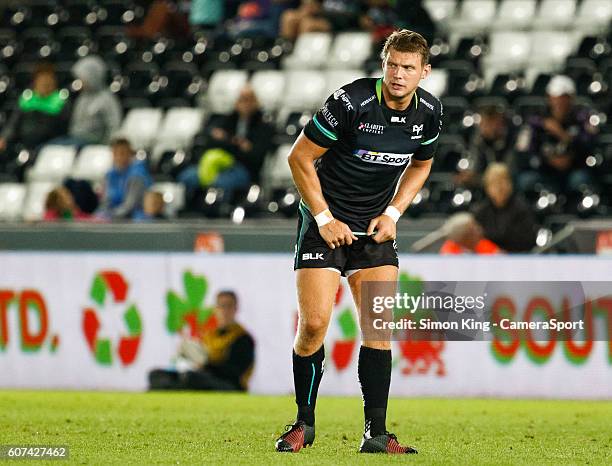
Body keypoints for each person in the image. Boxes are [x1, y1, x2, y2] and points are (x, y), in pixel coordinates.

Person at [275, 30, 442, 454]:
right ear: (383, 65)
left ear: (425, 72)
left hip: (372, 231)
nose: (398, 75)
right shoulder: (351, 102)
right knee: (313, 326)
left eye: (408, 68)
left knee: (378, 329)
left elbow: (422, 166)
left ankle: (377, 434)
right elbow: (299, 157)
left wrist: (393, 213)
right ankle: (303, 424)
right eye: (392, 65)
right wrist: (324, 217)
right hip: (324, 224)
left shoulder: (429, 114)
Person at [178, 85, 274, 202]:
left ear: (256, 102)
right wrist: (237, 144)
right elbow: (211, 142)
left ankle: (220, 212)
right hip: (219, 166)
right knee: (187, 177)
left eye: (248, 99)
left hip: (244, 169)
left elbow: (256, 155)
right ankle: (190, 209)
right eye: (241, 99)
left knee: (221, 183)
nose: (244, 103)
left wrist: (227, 141)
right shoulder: (228, 120)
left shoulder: (263, 126)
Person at [148, 290, 255, 391]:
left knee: (192, 378)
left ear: (235, 309)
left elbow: (234, 373)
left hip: (230, 384)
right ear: (215, 309)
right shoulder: (208, 335)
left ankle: (172, 388)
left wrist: (206, 365)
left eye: (228, 306)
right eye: (221, 306)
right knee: (155, 374)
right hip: (202, 375)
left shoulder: (243, 338)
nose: (224, 311)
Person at [516, 75, 598, 194]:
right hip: (544, 170)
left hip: (573, 169)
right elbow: (523, 152)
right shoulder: (536, 121)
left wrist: (562, 135)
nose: (560, 102)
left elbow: (590, 147)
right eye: (557, 97)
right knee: (526, 180)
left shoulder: (582, 118)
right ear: (549, 97)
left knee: (581, 179)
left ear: (572, 98)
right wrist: (547, 160)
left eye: (565, 97)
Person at [0, 63, 70, 178]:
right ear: (35, 81)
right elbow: (13, 124)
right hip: (23, 145)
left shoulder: (61, 102)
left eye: (48, 79)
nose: (45, 83)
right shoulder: (27, 99)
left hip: (49, 146)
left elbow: (65, 129)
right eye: (41, 79)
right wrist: (4, 138)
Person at [471, 163, 537, 252]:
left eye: (503, 181)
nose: (500, 187)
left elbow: (527, 241)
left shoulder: (522, 209)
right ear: (487, 187)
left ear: (511, 184)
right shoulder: (480, 211)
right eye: (494, 183)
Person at [61, 56, 122, 147]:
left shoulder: (107, 99)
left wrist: (107, 145)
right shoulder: (82, 97)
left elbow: (114, 125)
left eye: (83, 78)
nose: (80, 82)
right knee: (49, 148)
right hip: (76, 139)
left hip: (93, 142)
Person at [456, 104, 516, 188]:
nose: (483, 127)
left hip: (507, 181)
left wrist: (479, 178)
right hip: (485, 180)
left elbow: (508, 171)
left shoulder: (512, 138)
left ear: (500, 124)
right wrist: (469, 176)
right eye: (483, 123)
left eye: (489, 123)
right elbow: (475, 166)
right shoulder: (479, 141)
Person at [97, 137, 152, 220]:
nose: (118, 157)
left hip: (135, 217)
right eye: (115, 153)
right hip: (114, 215)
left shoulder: (137, 175)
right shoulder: (110, 175)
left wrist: (111, 216)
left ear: (130, 153)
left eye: (122, 153)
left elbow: (130, 205)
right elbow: (106, 202)